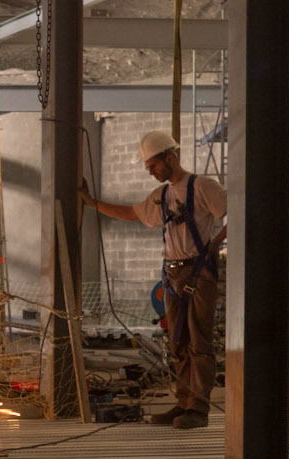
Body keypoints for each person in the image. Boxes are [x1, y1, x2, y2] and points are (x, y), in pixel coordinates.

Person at [80, 130, 227, 429]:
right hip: (172, 273)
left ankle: (198, 409)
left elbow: (238, 214)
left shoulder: (202, 187)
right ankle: (183, 403)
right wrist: (89, 202)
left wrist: (214, 245)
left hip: (199, 272)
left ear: (170, 158)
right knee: (178, 343)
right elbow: (131, 213)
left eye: (153, 165)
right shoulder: (161, 196)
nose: (149, 171)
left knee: (199, 343)